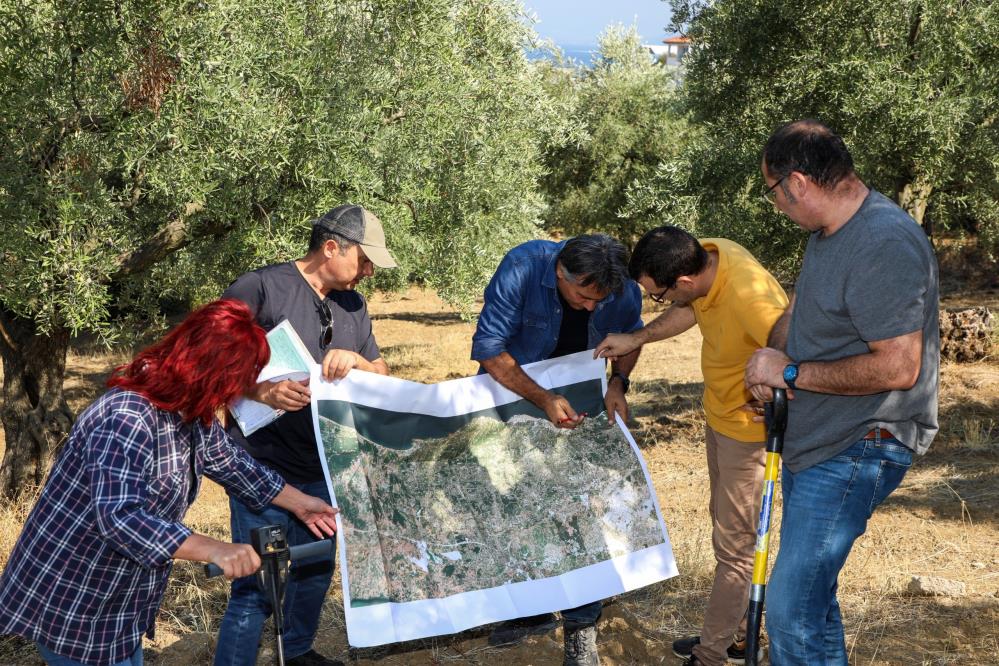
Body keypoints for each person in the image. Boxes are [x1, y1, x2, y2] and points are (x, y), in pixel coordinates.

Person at [0, 300, 339, 666]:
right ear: (210, 373)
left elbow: (236, 465)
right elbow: (121, 518)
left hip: (120, 602)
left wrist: (302, 504)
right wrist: (215, 549)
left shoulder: (190, 413)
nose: (239, 392)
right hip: (73, 597)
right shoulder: (126, 417)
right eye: (238, 381)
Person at [744, 119, 939, 665]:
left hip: (859, 444)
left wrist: (788, 374)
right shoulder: (827, 235)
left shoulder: (883, 242)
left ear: (798, 183)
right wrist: (768, 364)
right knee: (811, 601)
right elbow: (799, 314)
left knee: (790, 611)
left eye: (772, 191)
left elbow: (900, 366)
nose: (775, 204)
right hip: (821, 440)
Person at [594, 226, 788, 666]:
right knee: (724, 524)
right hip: (720, 419)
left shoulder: (750, 297)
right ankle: (741, 634)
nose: (658, 303)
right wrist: (638, 337)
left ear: (682, 282)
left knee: (736, 550)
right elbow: (693, 310)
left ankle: (710, 655)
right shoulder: (714, 256)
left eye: (657, 296)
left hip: (749, 435)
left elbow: (794, 348)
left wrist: (780, 394)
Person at [214, 204, 396, 666]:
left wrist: (357, 362)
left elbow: (381, 374)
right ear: (331, 248)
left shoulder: (354, 304)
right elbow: (206, 363)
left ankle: (294, 653)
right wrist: (260, 391)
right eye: (365, 259)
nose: (370, 271)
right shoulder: (260, 288)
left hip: (326, 466)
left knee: (315, 569)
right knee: (257, 584)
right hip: (261, 467)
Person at [470, 234, 644, 666]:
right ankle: (529, 613)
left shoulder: (620, 287)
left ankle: (581, 630)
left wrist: (619, 382)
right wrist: (543, 399)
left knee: (579, 511)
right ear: (559, 273)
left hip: (581, 400)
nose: (590, 309)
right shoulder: (524, 265)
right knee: (510, 504)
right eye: (583, 297)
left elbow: (629, 338)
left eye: (597, 301)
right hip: (511, 393)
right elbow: (490, 348)